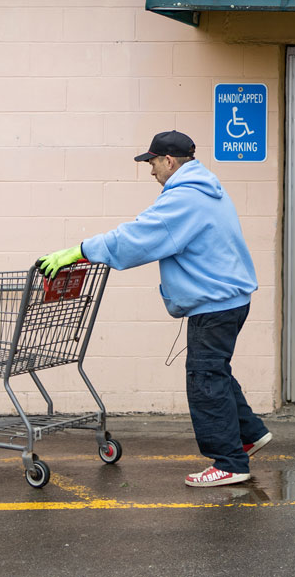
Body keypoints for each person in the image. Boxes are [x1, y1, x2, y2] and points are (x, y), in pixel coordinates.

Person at [38, 130, 271, 488]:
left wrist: (81, 250)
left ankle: (229, 462)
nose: (150, 171)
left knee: (204, 379)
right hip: (228, 298)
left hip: (215, 303)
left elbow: (137, 237)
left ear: (169, 161)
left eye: (151, 163)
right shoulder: (206, 189)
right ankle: (249, 434)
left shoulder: (186, 199)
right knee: (214, 372)